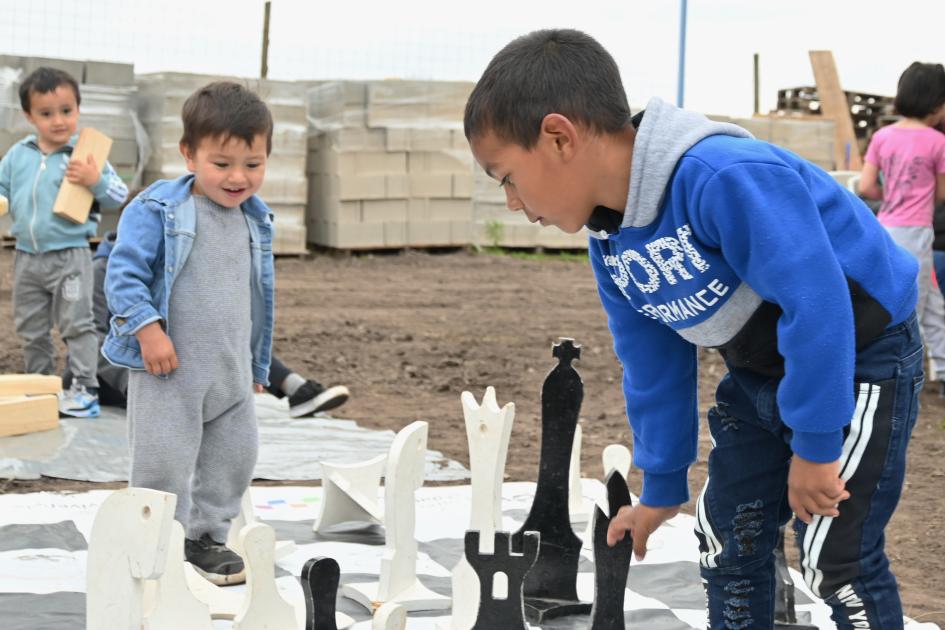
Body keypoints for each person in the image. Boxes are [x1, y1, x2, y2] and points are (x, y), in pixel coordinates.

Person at [464, 29, 921, 628]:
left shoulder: (722, 176)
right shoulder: (611, 241)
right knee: (726, 538)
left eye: (506, 178)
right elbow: (651, 359)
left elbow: (819, 305)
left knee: (833, 558)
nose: (513, 204)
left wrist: (814, 445)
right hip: (761, 368)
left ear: (558, 137)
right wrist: (661, 486)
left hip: (860, 359)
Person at [103, 81, 275, 586]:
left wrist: (255, 364)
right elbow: (124, 273)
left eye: (253, 164)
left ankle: (206, 538)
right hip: (170, 372)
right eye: (222, 164)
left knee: (235, 458)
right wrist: (148, 330)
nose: (238, 177)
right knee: (162, 463)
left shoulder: (255, 219)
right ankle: (153, 539)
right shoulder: (157, 209)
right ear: (189, 154)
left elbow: (252, 297)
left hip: (230, 372)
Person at [65, 229, 350, 415]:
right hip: (113, 378)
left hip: (168, 370)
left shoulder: (177, 266)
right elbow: (91, 338)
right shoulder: (101, 272)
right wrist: (137, 381)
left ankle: (297, 389)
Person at [0, 66, 129, 418]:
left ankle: (84, 388)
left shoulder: (87, 155)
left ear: (78, 109)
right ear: (29, 116)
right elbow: (1, 191)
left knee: (77, 323)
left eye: (66, 111)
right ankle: (39, 387)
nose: (58, 120)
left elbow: (119, 195)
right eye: (46, 113)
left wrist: (94, 180)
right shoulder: (17, 156)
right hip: (26, 258)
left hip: (70, 258)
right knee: (31, 328)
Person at [860, 62, 945, 389]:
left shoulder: (882, 136)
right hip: (918, 232)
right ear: (937, 103)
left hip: (885, 229)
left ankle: (939, 363)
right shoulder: (937, 142)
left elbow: (867, 186)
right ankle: (904, 374)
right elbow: (940, 193)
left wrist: (890, 194)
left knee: (930, 300)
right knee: (916, 305)